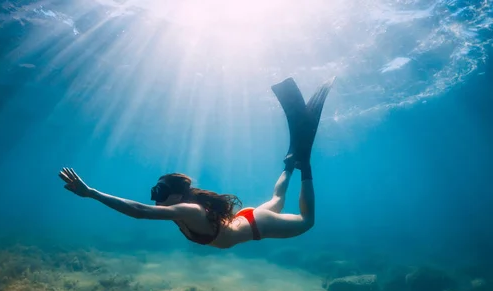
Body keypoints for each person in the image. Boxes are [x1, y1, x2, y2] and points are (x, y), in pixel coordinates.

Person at [59, 77, 335, 249]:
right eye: (156, 192)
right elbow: (143, 210)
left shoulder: (187, 210)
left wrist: (92, 193)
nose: (156, 198)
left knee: (306, 222)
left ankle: (303, 164)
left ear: (178, 195)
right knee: (276, 198)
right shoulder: (184, 207)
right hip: (245, 220)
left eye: (161, 192)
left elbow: (139, 212)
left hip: (253, 225)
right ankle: (290, 164)